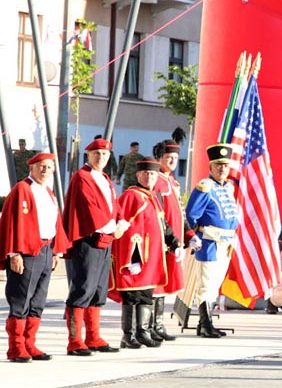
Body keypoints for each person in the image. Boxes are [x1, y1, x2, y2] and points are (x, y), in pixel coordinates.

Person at [1, 152, 68, 362]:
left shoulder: (49, 192)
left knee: (38, 300)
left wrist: (57, 251)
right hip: (27, 251)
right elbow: (11, 222)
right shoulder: (22, 189)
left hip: (47, 250)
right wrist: (14, 252)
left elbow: (55, 222)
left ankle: (30, 343)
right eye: (40, 166)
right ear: (31, 168)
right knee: (21, 299)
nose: (45, 170)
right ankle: (16, 347)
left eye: (48, 167)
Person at [62, 136, 123, 356]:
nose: (101, 157)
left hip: (105, 238)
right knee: (83, 288)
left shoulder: (104, 177)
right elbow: (89, 208)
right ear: (88, 155)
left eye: (105, 154)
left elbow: (112, 205)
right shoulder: (82, 177)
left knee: (98, 289)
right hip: (88, 238)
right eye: (97, 153)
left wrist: (120, 220)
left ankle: (93, 336)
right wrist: (112, 224)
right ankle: (75, 340)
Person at [110, 159, 178, 349]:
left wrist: (174, 243)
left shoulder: (153, 197)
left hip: (152, 257)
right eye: (146, 174)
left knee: (146, 294)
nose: (149, 177)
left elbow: (162, 225)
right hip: (136, 256)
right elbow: (126, 229)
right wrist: (132, 258)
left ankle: (143, 331)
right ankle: (128, 335)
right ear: (138, 175)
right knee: (132, 295)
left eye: (153, 174)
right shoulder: (131, 196)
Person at [183, 144, 240, 338]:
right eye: (217, 165)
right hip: (209, 244)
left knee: (215, 284)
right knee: (206, 284)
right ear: (211, 167)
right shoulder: (205, 187)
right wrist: (196, 236)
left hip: (226, 244)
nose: (222, 169)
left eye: (224, 165)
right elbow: (191, 215)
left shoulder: (228, 188)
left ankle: (205, 323)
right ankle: (206, 324)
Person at [151, 141, 185, 342]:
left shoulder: (172, 181)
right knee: (157, 282)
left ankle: (158, 323)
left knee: (165, 282)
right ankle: (151, 325)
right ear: (160, 158)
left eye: (174, 158)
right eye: (168, 158)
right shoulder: (158, 181)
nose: (172, 161)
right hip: (163, 240)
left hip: (174, 240)